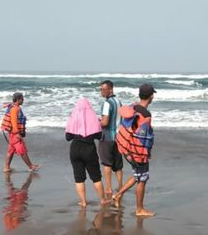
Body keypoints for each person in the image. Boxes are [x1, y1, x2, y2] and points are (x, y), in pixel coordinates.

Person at [113, 83, 156, 217]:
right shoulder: (146, 115)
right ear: (151, 96)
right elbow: (143, 137)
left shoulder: (133, 107)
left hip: (126, 148)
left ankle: (118, 195)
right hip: (136, 152)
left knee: (137, 175)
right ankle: (139, 209)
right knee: (142, 180)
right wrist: (145, 153)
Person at [65, 98, 108, 207]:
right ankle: (102, 200)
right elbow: (99, 136)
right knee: (96, 177)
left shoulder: (72, 119)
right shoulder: (93, 119)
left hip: (75, 150)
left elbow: (68, 137)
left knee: (78, 178)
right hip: (89, 149)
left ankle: (83, 202)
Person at [1, 92, 40, 172]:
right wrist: (17, 134)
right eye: (22, 99)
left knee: (11, 151)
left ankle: (6, 167)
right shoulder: (15, 109)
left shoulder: (13, 106)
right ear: (18, 99)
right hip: (15, 134)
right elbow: (14, 123)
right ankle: (31, 166)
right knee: (22, 151)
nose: (23, 100)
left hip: (12, 133)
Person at [98, 80, 124, 197]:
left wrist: (96, 122)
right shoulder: (119, 101)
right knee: (118, 165)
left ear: (110, 89)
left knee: (107, 163)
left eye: (103, 89)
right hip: (118, 136)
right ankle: (120, 186)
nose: (101, 92)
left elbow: (105, 122)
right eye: (100, 89)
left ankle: (108, 188)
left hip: (107, 137)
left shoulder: (107, 103)